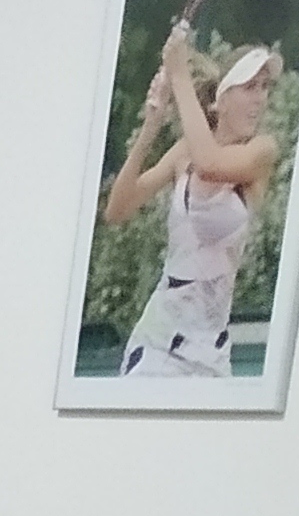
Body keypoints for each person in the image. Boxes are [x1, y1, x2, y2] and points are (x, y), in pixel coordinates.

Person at [104, 21, 282, 379]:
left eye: (264, 87)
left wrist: (179, 74)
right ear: (221, 100)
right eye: (250, 87)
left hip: (211, 356)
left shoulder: (261, 151)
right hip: (157, 346)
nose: (260, 98)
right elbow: (117, 210)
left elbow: (209, 164)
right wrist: (151, 126)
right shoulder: (184, 150)